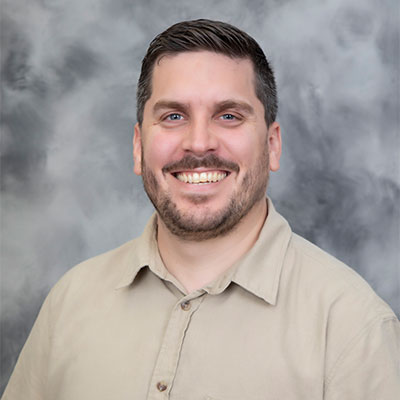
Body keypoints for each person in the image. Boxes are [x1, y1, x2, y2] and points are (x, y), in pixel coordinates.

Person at [3, 19, 399, 400]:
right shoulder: (72, 301)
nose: (198, 143)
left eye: (228, 115)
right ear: (139, 147)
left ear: (273, 144)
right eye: (174, 116)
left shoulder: (352, 327)